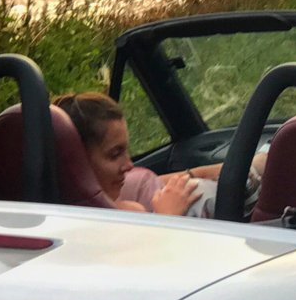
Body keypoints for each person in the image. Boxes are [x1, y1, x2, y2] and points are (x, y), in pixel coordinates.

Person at [54, 92, 207, 215]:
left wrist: (203, 173)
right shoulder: (124, 219)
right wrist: (168, 216)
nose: (129, 165)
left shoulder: (128, 207)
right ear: (77, 162)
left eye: (127, 151)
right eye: (114, 154)